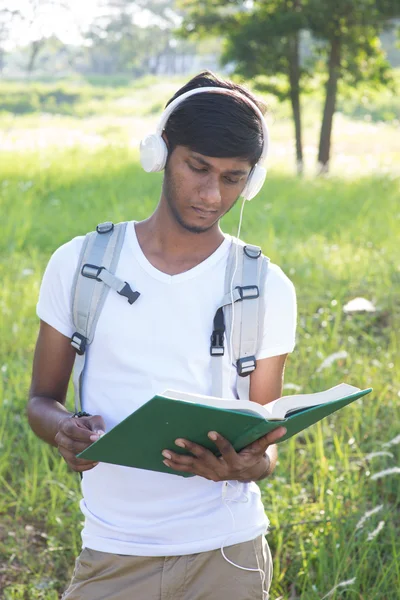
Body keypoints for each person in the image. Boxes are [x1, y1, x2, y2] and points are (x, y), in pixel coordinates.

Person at [27, 70, 297, 600]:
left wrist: (249, 465)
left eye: (234, 178)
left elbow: (266, 439)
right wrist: (63, 429)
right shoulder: (80, 263)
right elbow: (41, 399)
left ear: (253, 180)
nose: (212, 194)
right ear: (160, 151)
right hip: (113, 549)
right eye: (198, 168)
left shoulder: (266, 286)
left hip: (228, 552)